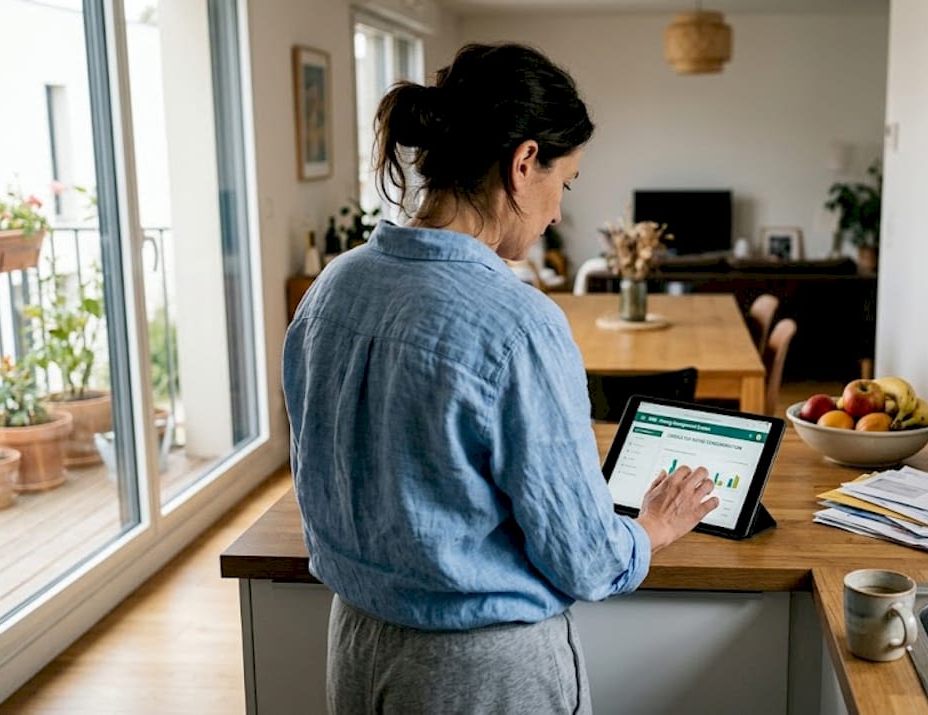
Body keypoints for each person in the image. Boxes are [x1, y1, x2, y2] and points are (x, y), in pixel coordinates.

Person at [282, 43, 718, 714]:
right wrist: (653, 526)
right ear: (523, 165)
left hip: (355, 644)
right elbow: (586, 558)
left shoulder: (333, 287)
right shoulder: (519, 326)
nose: (557, 212)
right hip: (478, 671)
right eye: (563, 183)